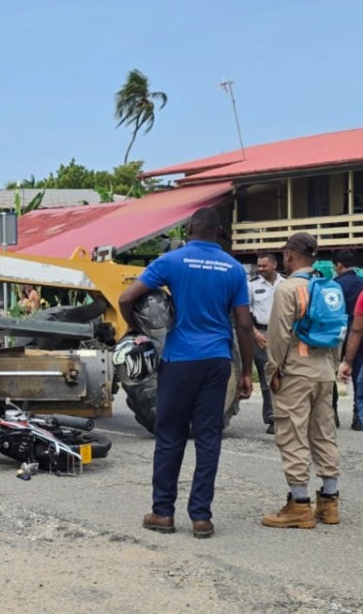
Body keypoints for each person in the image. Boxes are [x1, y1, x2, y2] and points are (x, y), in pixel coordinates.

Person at [118, 207, 254, 539]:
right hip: (217, 360)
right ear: (218, 232)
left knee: (170, 438)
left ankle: (163, 513)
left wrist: (135, 326)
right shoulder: (234, 269)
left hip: (179, 360)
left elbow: (125, 298)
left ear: (190, 228)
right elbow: (245, 324)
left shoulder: (172, 261)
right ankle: (201, 518)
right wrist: (248, 372)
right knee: (208, 439)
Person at [262, 232, 341, 529]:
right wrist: (332, 368)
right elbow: (335, 334)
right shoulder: (328, 286)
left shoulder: (288, 289)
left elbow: (279, 337)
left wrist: (273, 372)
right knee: (324, 433)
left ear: (288, 256)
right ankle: (329, 502)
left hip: (296, 372)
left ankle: (299, 505)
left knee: (292, 435)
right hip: (324, 372)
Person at [249, 253, 284, 435]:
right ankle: (271, 417)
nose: (260, 269)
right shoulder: (252, 285)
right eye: (259, 266)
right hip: (261, 334)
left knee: (284, 375)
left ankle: (285, 415)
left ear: (274, 265)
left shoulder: (285, 284)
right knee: (266, 377)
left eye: (264, 266)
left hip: (283, 333)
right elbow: (245, 312)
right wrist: (255, 334)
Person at [332, 250, 363, 429]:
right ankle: (358, 416)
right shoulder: (362, 283)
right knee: (359, 377)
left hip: (337, 335)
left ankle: (332, 413)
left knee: (330, 374)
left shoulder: (334, 285)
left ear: (338, 266)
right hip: (358, 337)